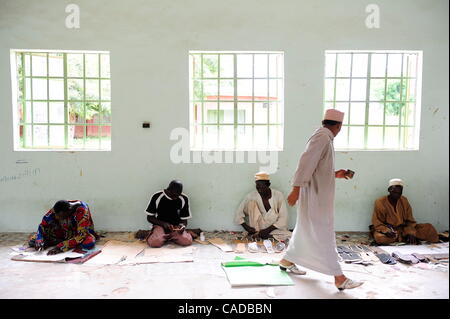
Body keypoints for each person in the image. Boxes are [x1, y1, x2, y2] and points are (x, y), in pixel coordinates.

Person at [279, 109, 363, 291]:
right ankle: (339, 278)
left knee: (305, 229)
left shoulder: (324, 136)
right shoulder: (323, 138)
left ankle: (286, 261)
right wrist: (295, 190)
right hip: (315, 197)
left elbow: (317, 169)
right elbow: (305, 163)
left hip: (316, 194)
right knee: (323, 233)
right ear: (339, 126)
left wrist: (335, 174)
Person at [370, 178, 439, 245]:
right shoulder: (380, 202)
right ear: (389, 190)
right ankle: (406, 238)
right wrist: (387, 231)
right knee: (379, 237)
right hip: (389, 231)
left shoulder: (404, 200)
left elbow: (410, 221)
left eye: (399, 193)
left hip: (404, 229)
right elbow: (377, 223)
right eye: (394, 192)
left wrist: (410, 232)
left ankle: (407, 237)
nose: (397, 195)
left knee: (429, 228)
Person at [234, 172, 292, 241]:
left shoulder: (278, 195)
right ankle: (259, 234)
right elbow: (238, 213)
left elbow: (283, 218)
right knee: (251, 204)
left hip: (274, 228)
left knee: (289, 235)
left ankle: (263, 235)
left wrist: (267, 231)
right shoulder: (252, 196)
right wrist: (247, 228)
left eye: (262, 186)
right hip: (258, 228)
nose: (259, 190)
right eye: (257, 186)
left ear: (268, 185)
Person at [28, 200, 98, 255]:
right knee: (33, 241)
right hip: (63, 233)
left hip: (78, 233)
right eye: (56, 215)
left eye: (60, 216)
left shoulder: (82, 211)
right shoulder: (56, 209)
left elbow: (82, 235)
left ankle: (58, 242)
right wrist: (39, 239)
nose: (57, 217)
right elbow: (42, 225)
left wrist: (61, 246)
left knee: (89, 243)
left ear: (69, 211)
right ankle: (60, 242)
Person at [145, 180, 193, 247]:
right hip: (160, 225)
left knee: (187, 241)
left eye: (178, 195)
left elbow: (184, 220)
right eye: (174, 195)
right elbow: (149, 218)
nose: (175, 198)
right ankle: (162, 236)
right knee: (155, 243)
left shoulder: (183, 198)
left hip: (175, 227)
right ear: (168, 190)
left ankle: (167, 237)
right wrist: (163, 224)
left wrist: (182, 226)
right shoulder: (157, 196)